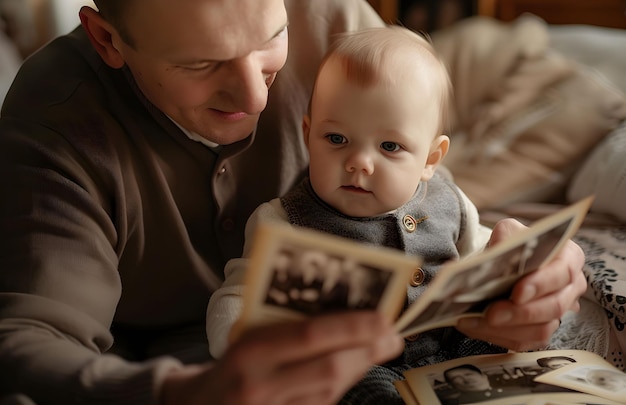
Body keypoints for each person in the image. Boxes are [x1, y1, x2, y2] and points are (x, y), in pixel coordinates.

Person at [0, 0, 587, 404]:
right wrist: (180, 393)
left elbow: (424, 198)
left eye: (271, 37)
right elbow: (29, 339)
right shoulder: (54, 117)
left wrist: (530, 281)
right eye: (200, 65)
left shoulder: (343, 29)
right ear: (107, 39)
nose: (256, 95)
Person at [204, 26, 560, 402]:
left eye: (390, 146)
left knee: (516, 353)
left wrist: (518, 272)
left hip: (455, 343)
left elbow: (483, 256)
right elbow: (237, 299)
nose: (359, 162)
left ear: (430, 160)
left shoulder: (449, 201)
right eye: (336, 139)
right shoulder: (284, 222)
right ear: (308, 135)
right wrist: (243, 343)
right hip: (362, 361)